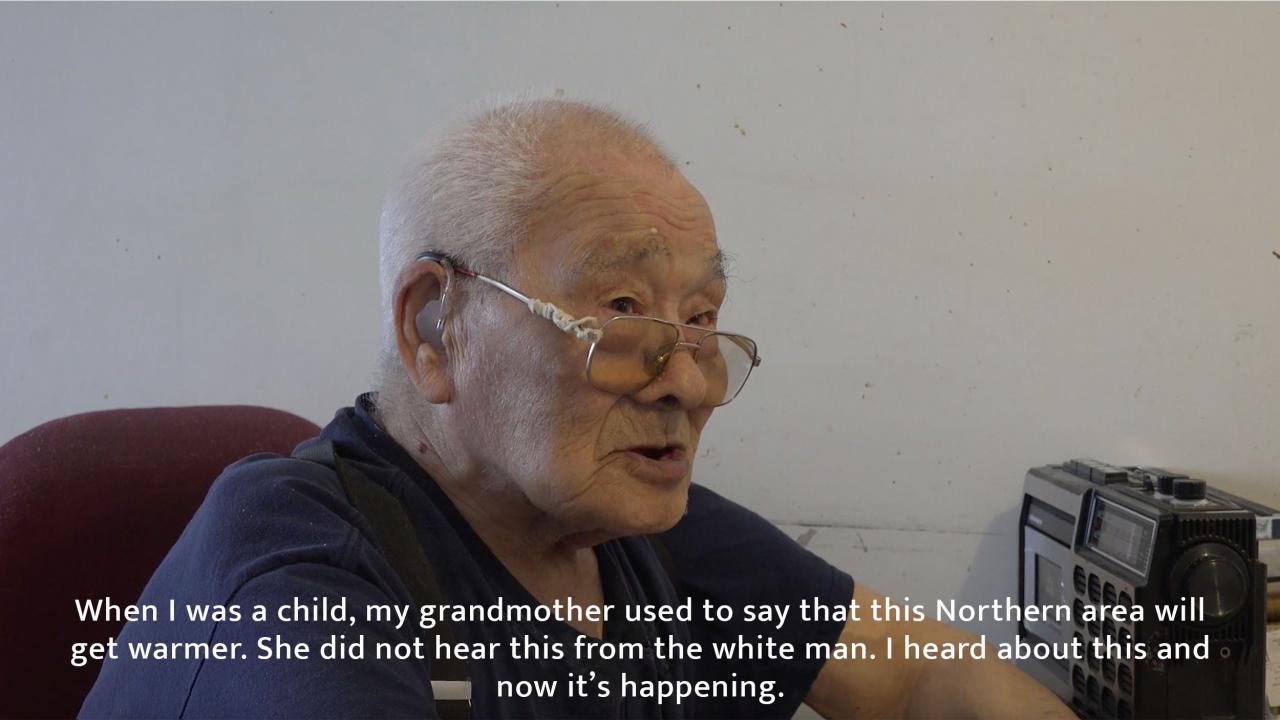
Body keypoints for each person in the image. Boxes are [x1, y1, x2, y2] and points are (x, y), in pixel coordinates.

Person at [81, 98, 1071, 719]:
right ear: (436, 329)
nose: (688, 381)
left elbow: (922, 676)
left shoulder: (628, 528)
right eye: (623, 311)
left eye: (701, 320)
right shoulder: (301, 579)